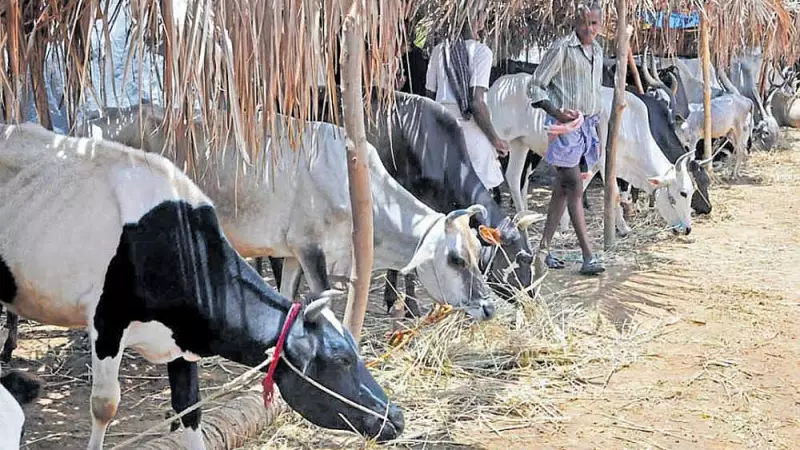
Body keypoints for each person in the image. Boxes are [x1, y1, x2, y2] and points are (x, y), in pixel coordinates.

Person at [527, 1, 606, 275]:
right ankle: (588, 256)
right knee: (574, 186)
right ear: (575, 23)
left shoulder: (598, 51)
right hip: (564, 131)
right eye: (583, 23)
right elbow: (535, 86)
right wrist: (557, 113)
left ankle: (543, 251)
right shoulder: (562, 48)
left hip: (586, 129)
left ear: (601, 25)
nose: (588, 28)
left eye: (594, 23)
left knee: (561, 190)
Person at [424, 1, 509, 194]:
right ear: (476, 19)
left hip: (443, 127)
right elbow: (476, 103)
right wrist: (495, 140)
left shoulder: (439, 51)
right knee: (476, 193)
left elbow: (429, 96)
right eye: (483, 15)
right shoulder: (482, 52)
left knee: (449, 191)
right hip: (470, 131)